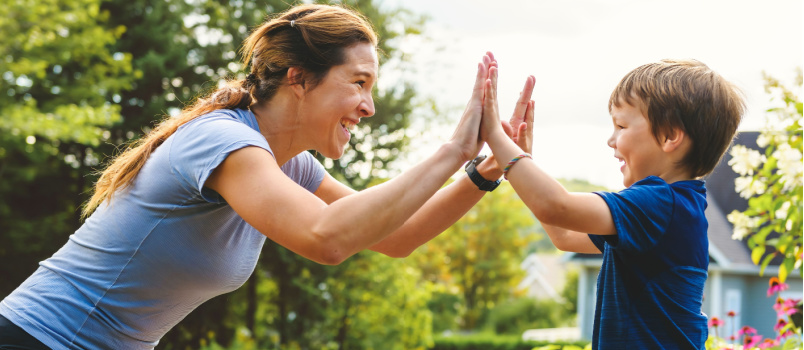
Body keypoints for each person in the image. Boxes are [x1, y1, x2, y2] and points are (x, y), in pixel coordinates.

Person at [0, 4, 532, 349]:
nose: (369, 106)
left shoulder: (289, 163)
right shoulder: (222, 141)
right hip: (36, 337)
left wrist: (484, 171)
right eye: (359, 82)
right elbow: (328, 238)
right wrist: (452, 148)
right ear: (299, 79)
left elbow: (395, 237)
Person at [480, 59, 745, 349]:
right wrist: (519, 161)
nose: (611, 140)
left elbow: (556, 206)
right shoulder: (673, 209)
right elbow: (564, 235)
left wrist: (496, 137)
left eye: (621, 125)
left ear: (670, 136)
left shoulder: (659, 203)